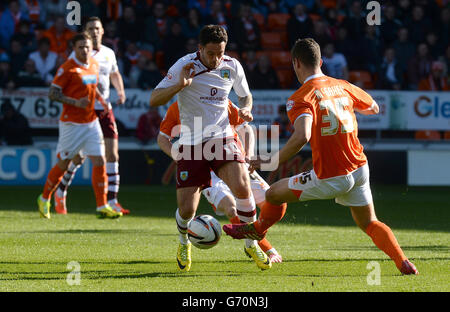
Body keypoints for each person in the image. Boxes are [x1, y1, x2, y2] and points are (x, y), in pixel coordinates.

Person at [223, 38, 419, 276]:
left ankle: (257, 230)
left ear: (296, 63)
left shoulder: (301, 97)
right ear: (321, 61)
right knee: (369, 222)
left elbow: (302, 136)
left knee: (273, 194)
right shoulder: (342, 85)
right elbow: (374, 108)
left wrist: (268, 161)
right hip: (359, 169)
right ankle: (404, 262)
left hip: (331, 175)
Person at [150, 25, 271, 272]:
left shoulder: (232, 66)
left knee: (241, 186)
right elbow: (154, 99)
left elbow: (245, 96)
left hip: (222, 137)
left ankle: (251, 243)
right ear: (200, 49)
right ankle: (184, 241)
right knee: (187, 210)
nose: (216, 59)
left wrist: (246, 108)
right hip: (191, 144)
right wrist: (180, 85)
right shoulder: (184, 65)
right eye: (211, 53)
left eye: (221, 52)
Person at [157, 100, 283, 263]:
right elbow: (162, 138)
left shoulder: (219, 100)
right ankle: (259, 247)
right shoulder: (179, 106)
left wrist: (249, 156)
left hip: (234, 162)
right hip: (208, 172)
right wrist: (179, 158)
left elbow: (245, 128)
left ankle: (253, 239)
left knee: (274, 203)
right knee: (231, 209)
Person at [36, 32, 122, 220]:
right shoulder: (67, 68)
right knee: (64, 163)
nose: (85, 50)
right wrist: (75, 102)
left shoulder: (94, 64)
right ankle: (44, 198)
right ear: (73, 49)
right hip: (71, 124)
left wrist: (103, 101)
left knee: (99, 160)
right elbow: (52, 93)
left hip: (91, 121)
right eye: (81, 47)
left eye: (87, 47)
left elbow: (94, 88)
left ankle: (102, 205)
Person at [53, 17, 128, 215]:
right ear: (85, 32)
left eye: (97, 28)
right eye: (90, 29)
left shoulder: (109, 53)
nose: (94, 32)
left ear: (103, 31)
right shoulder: (80, 53)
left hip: (104, 109)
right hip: (84, 111)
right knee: (77, 159)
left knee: (112, 153)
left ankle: (112, 201)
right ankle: (60, 191)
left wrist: (120, 91)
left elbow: (114, 74)